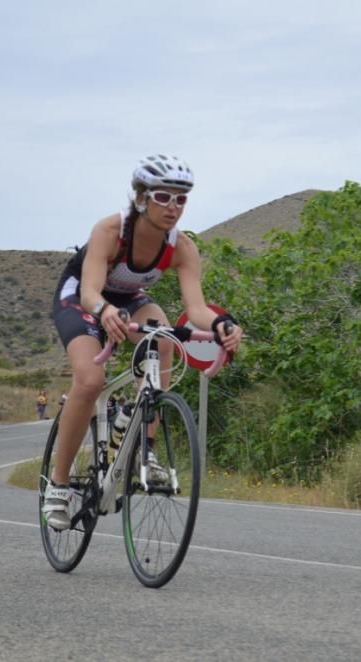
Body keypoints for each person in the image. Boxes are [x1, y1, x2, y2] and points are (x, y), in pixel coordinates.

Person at [43, 154, 243, 531]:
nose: (173, 207)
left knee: (164, 335)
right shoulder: (110, 230)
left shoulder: (181, 246)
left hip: (129, 298)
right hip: (84, 296)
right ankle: (59, 484)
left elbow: (196, 308)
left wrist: (222, 324)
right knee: (90, 381)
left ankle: (144, 449)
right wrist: (103, 312)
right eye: (164, 197)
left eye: (181, 199)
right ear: (141, 198)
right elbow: (89, 291)